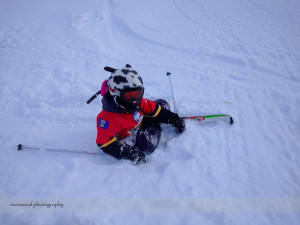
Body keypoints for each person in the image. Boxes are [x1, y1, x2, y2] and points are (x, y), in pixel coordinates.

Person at [96, 64, 185, 164]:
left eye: (138, 94)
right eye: (128, 96)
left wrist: (173, 118)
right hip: (132, 133)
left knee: (161, 106)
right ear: (114, 92)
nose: (135, 100)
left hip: (139, 119)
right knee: (147, 146)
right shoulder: (107, 119)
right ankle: (154, 123)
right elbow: (104, 143)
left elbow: (154, 109)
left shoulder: (138, 102)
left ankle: (154, 117)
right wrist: (128, 153)